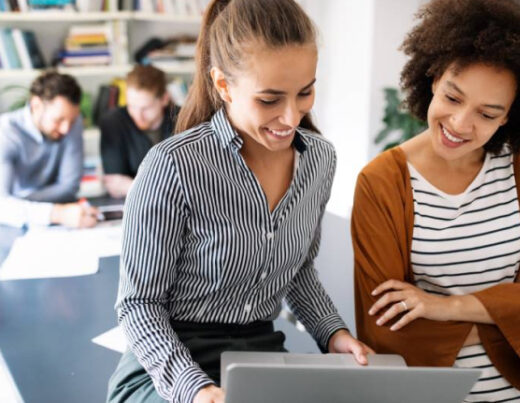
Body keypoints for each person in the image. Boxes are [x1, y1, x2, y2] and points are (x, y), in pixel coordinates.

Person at [107, 1, 373, 402]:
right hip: (168, 365)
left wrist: (333, 333)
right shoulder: (172, 166)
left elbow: (297, 271)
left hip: (257, 357)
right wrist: (194, 390)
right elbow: (138, 305)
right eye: (269, 100)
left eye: (305, 92)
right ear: (223, 85)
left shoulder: (320, 160)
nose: (291, 117)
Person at [352, 0, 520, 401]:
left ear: (509, 116)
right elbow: (386, 326)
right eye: (453, 96)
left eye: (488, 113)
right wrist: (516, 310)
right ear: (432, 77)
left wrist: (445, 307)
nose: (460, 124)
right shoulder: (382, 184)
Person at [0, 71, 98, 229]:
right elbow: (2, 205)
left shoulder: (73, 123)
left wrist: (20, 203)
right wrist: (56, 213)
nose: (66, 129)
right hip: (14, 225)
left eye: (71, 121)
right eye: (58, 120)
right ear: (36, 105)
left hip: (59, 219)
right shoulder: (5, 132)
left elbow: (69, 186)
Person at [99, 64, 178, 198]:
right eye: (132, 106)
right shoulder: (112, 122)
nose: (137, 116)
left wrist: (131, 185)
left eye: (145, 108)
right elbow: (114, 185)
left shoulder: (184, 118)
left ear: (164, 99)